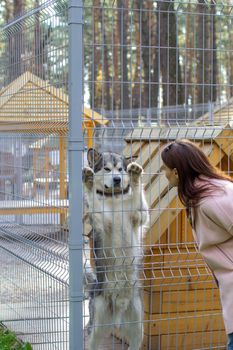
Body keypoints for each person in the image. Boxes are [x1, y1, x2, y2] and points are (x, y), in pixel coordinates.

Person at [161, 139, 233, 350]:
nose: (163, 174)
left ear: (176, 172)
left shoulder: (212, 200)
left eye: (165, 169)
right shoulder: (207, 191)